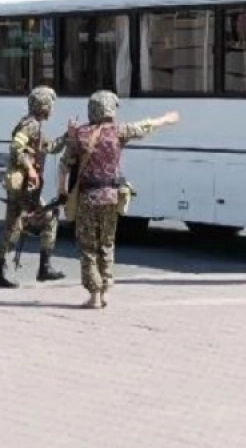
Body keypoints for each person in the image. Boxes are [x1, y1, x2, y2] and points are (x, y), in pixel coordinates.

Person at [59, 91, 180, 309]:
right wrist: (165, 120)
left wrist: (62, 191)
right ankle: (105, 290)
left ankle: (94, 294)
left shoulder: (81, 134)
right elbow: (144, 126)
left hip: (88, 197)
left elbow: (65, 164)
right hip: (112, 195)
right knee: (107, 243)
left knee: (88, 245)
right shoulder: (118, 131)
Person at [0, 86, 70, 289]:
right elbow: (16, 148)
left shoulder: (35, 126)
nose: (52, 109)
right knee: (36, 222)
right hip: (24, 186)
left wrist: (68, 135)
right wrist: (30, 169)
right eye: (51, 104)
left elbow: (51, 148)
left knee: (14, 227)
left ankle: (1, 273)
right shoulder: (30, 126)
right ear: (43, 105)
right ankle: (41, 268)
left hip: (26, 187)